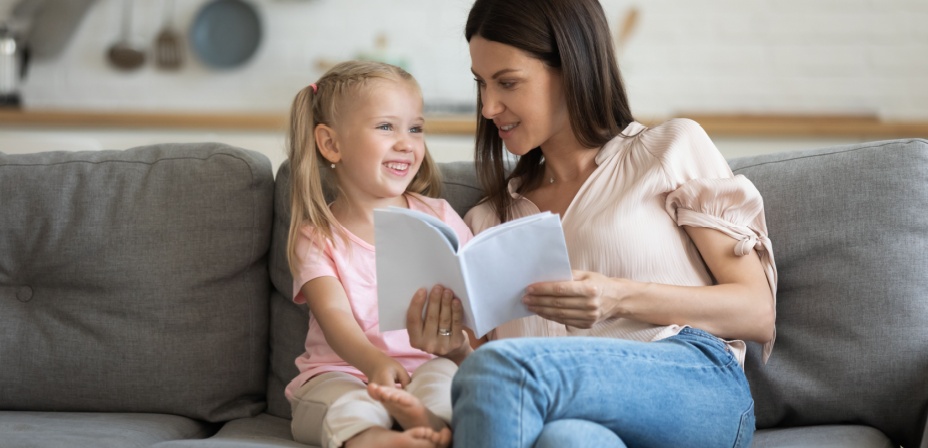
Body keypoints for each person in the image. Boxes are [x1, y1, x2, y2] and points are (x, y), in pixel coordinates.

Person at [404, 0, 778, 446]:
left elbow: (757, 312)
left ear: (573, 66)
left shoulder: (667, 151)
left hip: (693, 384)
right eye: (481, 84)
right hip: (573, 415)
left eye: (507, 83)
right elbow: (503, 404)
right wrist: (457, 350)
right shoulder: (487, 221)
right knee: (564, 439)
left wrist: (618, 296)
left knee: (504, 365)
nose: (487, 107)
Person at [284, 60, 472, 448]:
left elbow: (475, 299)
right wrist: (374, 364)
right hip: (342, 370)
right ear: (331, 143)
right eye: (386, 127)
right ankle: (376, 439)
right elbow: (335, 317)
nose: (407, 142)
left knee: (446, 381)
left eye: (415, 128)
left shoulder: (439, 216)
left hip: (426, 365)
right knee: (344, 401)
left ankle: (431, 423)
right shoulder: (318, 235)